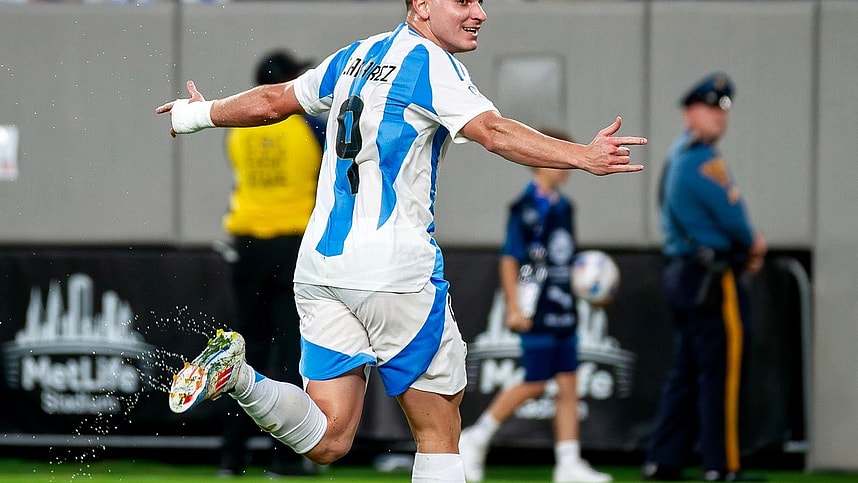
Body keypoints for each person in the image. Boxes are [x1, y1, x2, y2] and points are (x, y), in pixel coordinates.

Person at [157, 1, 647, 482]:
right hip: (393, 271)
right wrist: (581, 155)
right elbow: (494, 132)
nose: (479, 13)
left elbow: (271, 101)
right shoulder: (432, 64)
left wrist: (194, 115)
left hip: (321, 269)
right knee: (439, 430)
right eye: (462, 1)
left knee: (329, 437)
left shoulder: (353, 57)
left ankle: (238, 377)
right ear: (421, 5)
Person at [459, 129, 612, 483]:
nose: (568, 165)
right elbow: (511, 258)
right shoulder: (523, 208)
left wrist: (590, 289)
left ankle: (568, 462)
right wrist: (515, 307)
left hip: (564, 309)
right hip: (536, 309)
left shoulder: (565, 208)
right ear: (544, 160)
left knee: (569, 382)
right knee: (535, 381)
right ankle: (475, 438)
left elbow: (566, 260)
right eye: (561, 156)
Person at [642, 72, 767, 482]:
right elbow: (737, 222)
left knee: (688, 369)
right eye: (710, 108)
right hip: (711, 279)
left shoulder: (679, 156)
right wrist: (752, 245)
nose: (718, 117)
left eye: (721, 110)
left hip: (684, 275)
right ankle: (722, 464)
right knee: (721, 372)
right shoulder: (702, 160)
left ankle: (664, 458)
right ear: (689, 112)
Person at [217, 50, 325, 477]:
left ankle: (232, 457)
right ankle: (284, 457)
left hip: (246, 245)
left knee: (245, 352)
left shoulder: (237, 132)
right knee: (289, 352)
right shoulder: (308, 127)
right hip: (291, 246)